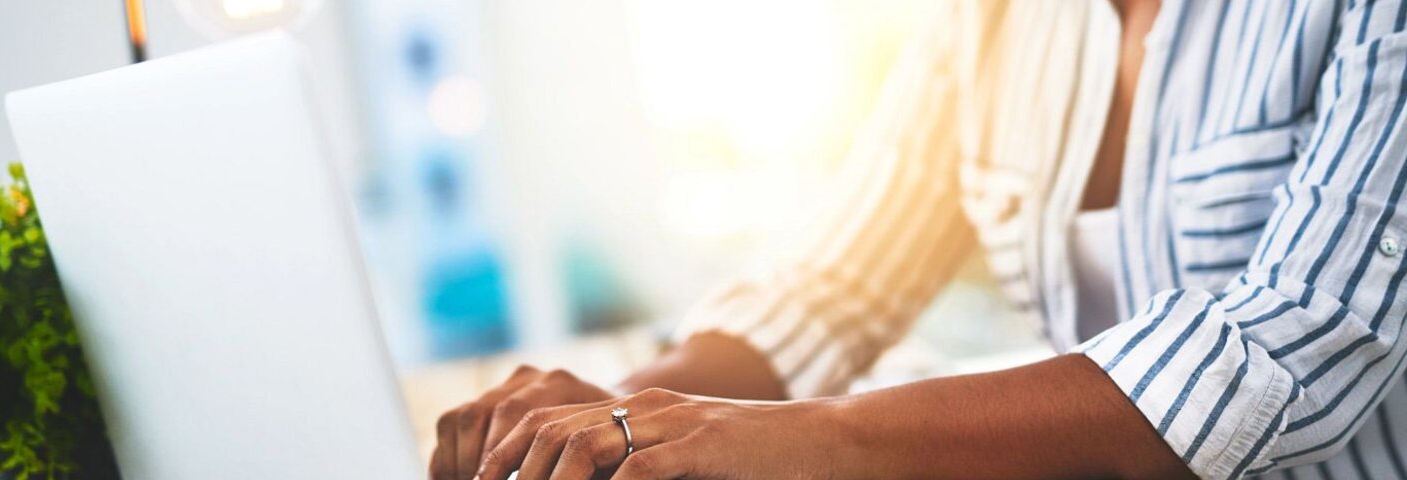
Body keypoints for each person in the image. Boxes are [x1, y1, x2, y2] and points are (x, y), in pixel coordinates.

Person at [431, 0, 1407, 478]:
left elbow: (1292, 348)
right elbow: (833, 285)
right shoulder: (995, 20)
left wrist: (806, 441)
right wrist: (632, 417)